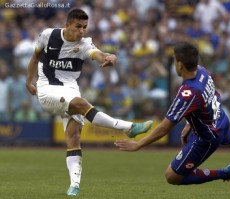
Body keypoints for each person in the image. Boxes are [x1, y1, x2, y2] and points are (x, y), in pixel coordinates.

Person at [26, 8, 153, 196]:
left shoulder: (85, 44)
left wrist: (110, 57)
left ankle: (74, 185)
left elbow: (97, 54)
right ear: (67, 25)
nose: (82, 31)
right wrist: (29, 81)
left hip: (70, 89)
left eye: (85, 27)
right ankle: (128, 128)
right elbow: (35, 57)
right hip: (47, 90)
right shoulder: (48, 35)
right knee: (82, 103)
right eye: (78, 26)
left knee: (74, 136)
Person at [115, 42, 230, 186]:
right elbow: (206, 100)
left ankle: (224, 173)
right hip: (220, 119)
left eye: (175, 60)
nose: (174, 64)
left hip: (207, 137)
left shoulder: (188, 93)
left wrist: (139, 144)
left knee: (172, 176)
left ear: (180, 65)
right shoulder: (202, 71)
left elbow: (165, 127)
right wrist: (190, 123)